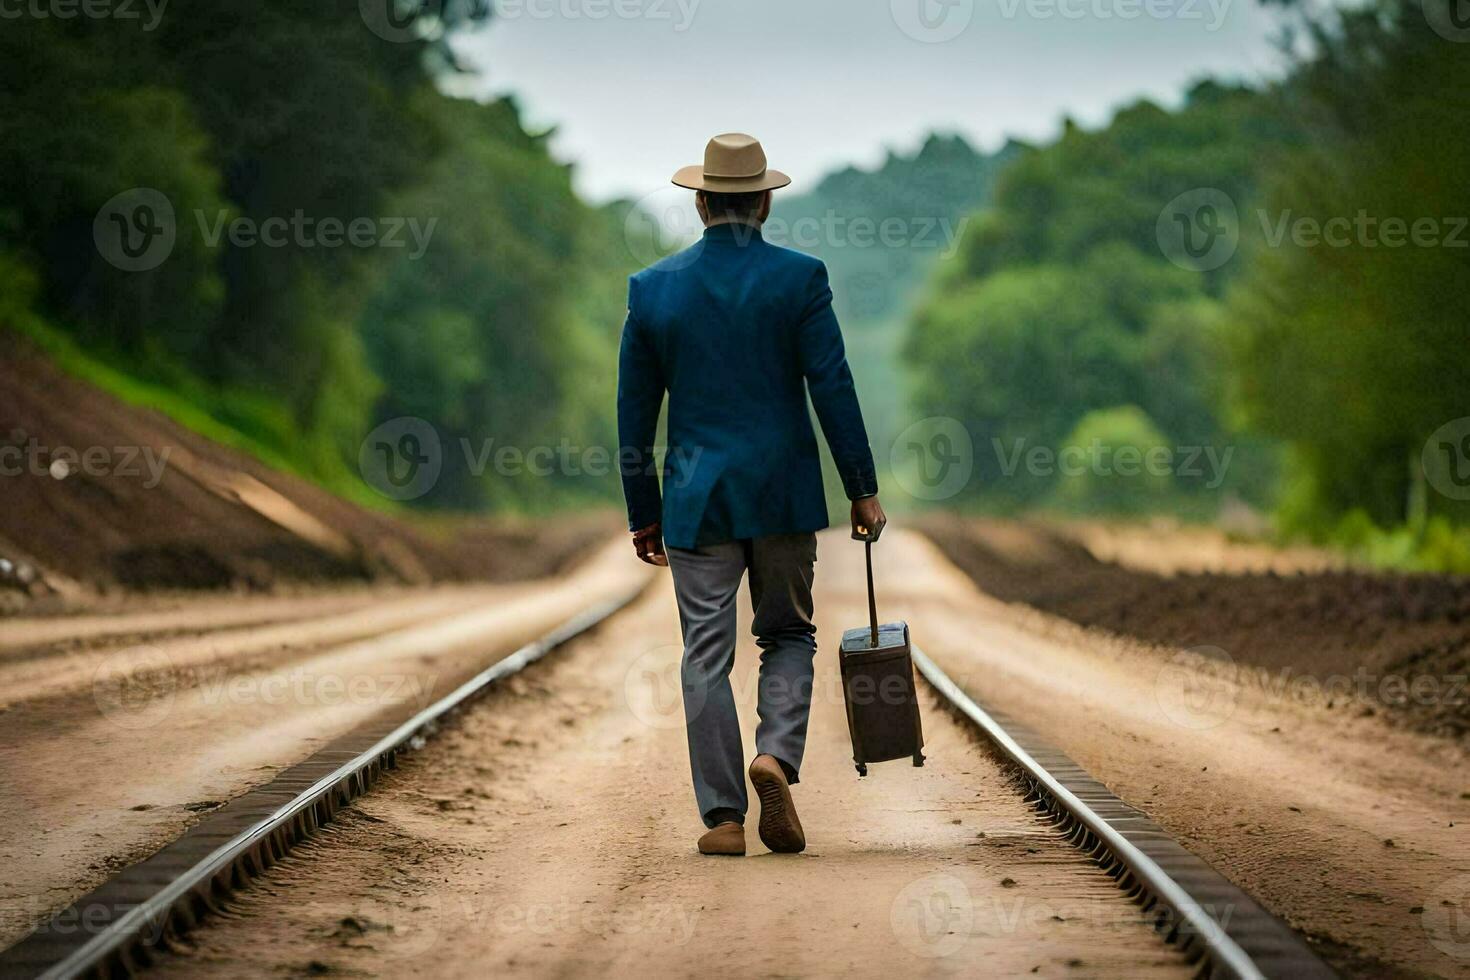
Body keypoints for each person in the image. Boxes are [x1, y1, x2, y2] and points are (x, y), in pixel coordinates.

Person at [618, 133, 886, 856]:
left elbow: (634, 416)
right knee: (789, 634)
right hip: (783, 494)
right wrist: (861, 488)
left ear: (701, 201)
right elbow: (833, 385)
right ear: (765, 201)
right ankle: (776, 755)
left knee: (704, 654)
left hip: (696, 500)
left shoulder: (652, 290)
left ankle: (725, 819)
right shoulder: (801, 279)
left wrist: (643, 511)